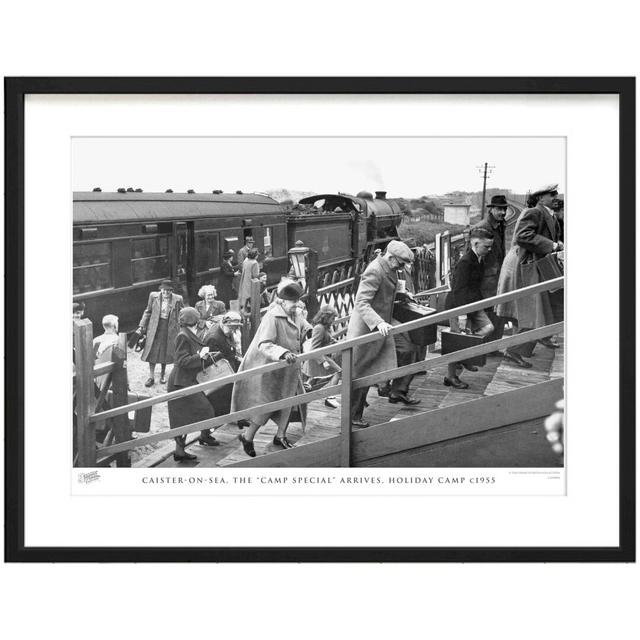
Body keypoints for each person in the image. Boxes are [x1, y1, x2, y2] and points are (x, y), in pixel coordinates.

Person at [231, 280, 312, 457]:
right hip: (269, 369)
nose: (296, 305)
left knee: (289, 401)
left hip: (289, 368)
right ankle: (247, 436)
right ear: (282, 301)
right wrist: (283, 353)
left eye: (298, 301)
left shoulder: (295, 312)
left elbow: (302, 325)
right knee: (266, 406)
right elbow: (264, 344)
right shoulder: (272, 317)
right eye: (293, 302)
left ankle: (280, 436)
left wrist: (309, 330)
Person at [346, 239, 415, 428]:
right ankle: (353, 415)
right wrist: (377, 323)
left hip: (382, 323)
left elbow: (385, 293)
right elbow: (361, 302)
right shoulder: (375, 270)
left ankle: (392, 388)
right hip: (367, 329)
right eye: (400, 263)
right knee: (361, 373)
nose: (401, 268)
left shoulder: (388, 269)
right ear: (391, 258)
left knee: (407, 348)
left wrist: (402, 295)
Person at [495, 184, 564, 368]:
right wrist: (553, 245)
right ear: (541, 197)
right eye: (552, 194)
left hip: (535, 265)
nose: (555, 196)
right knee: (530, 310)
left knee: (538, 309)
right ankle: (513, 351)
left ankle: (526, 345)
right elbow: (523, 236)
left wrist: (556, 243)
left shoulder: (547, 213)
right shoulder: (534, 212)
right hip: (524, 266)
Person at [167, 307, 225, 460]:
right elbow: (182, 361)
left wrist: (204, 356)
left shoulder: (189, 333)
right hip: (180, 382)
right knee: (190, 414)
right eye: (197, 318)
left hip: (189, 379)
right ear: (193, 320)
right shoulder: (183, 336)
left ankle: (203, 436)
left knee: (198, 410)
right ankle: (181, 450)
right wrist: (201, 356)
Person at [443, 227, 495, 389]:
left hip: (473, 304)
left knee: (488, 328)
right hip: (458, 306)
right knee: (456, 341)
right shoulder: (465, 262)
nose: (489, 249)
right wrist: (462, 315)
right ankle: (450, 377)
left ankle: (465, 355)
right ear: (476, 243)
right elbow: (459, 290)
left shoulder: (479, 258)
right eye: (487, 246)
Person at [473, 194, 509, 349]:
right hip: (487, 279)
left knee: (498, 312)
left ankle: (492, 347)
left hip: (497, 276)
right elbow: (475, 256)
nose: (502, 212)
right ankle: (484, 349)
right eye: (499, 209)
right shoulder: (483, 227)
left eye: (504, 209)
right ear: (491, 209)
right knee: (489, 313)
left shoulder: (500, 225)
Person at [203, 311, 250, 428]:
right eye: (232, 328)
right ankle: (218, 424)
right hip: (219, 374)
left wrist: (236, 358)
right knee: (220, 399)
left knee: (234, 394)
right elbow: (209, 361)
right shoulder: (213, 337)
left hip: (229, 369)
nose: (234, 331)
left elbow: (229, 349)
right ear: (225, 324)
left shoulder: (226, 332)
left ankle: (236, 418)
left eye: (236, 328)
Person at [137, 280, 184, 387]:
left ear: (171, 291)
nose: (166, 293)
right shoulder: (153, 296)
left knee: (165, 352)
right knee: (152, 352)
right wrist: (142, 325)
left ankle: (163, 375)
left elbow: (182, 313)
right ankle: (151, 376)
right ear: (160, 289)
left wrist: (182, 327)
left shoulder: (178, 299)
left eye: (168, 291)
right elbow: (148, 311)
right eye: (164, 290)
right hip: (155, 328)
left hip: (169, 328)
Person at [303, 305, 342, 409]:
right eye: (332, 318)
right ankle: (330, 398)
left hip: (323, 356)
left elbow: (328, 339)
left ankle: (302, 396)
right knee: (337, 372)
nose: (333, 320)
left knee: (313, 380)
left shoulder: (325, 327)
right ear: (325, 317)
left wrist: (338, 343)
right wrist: (323, 362)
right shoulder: (319, 328)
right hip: (318, 358)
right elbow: (314, 348)